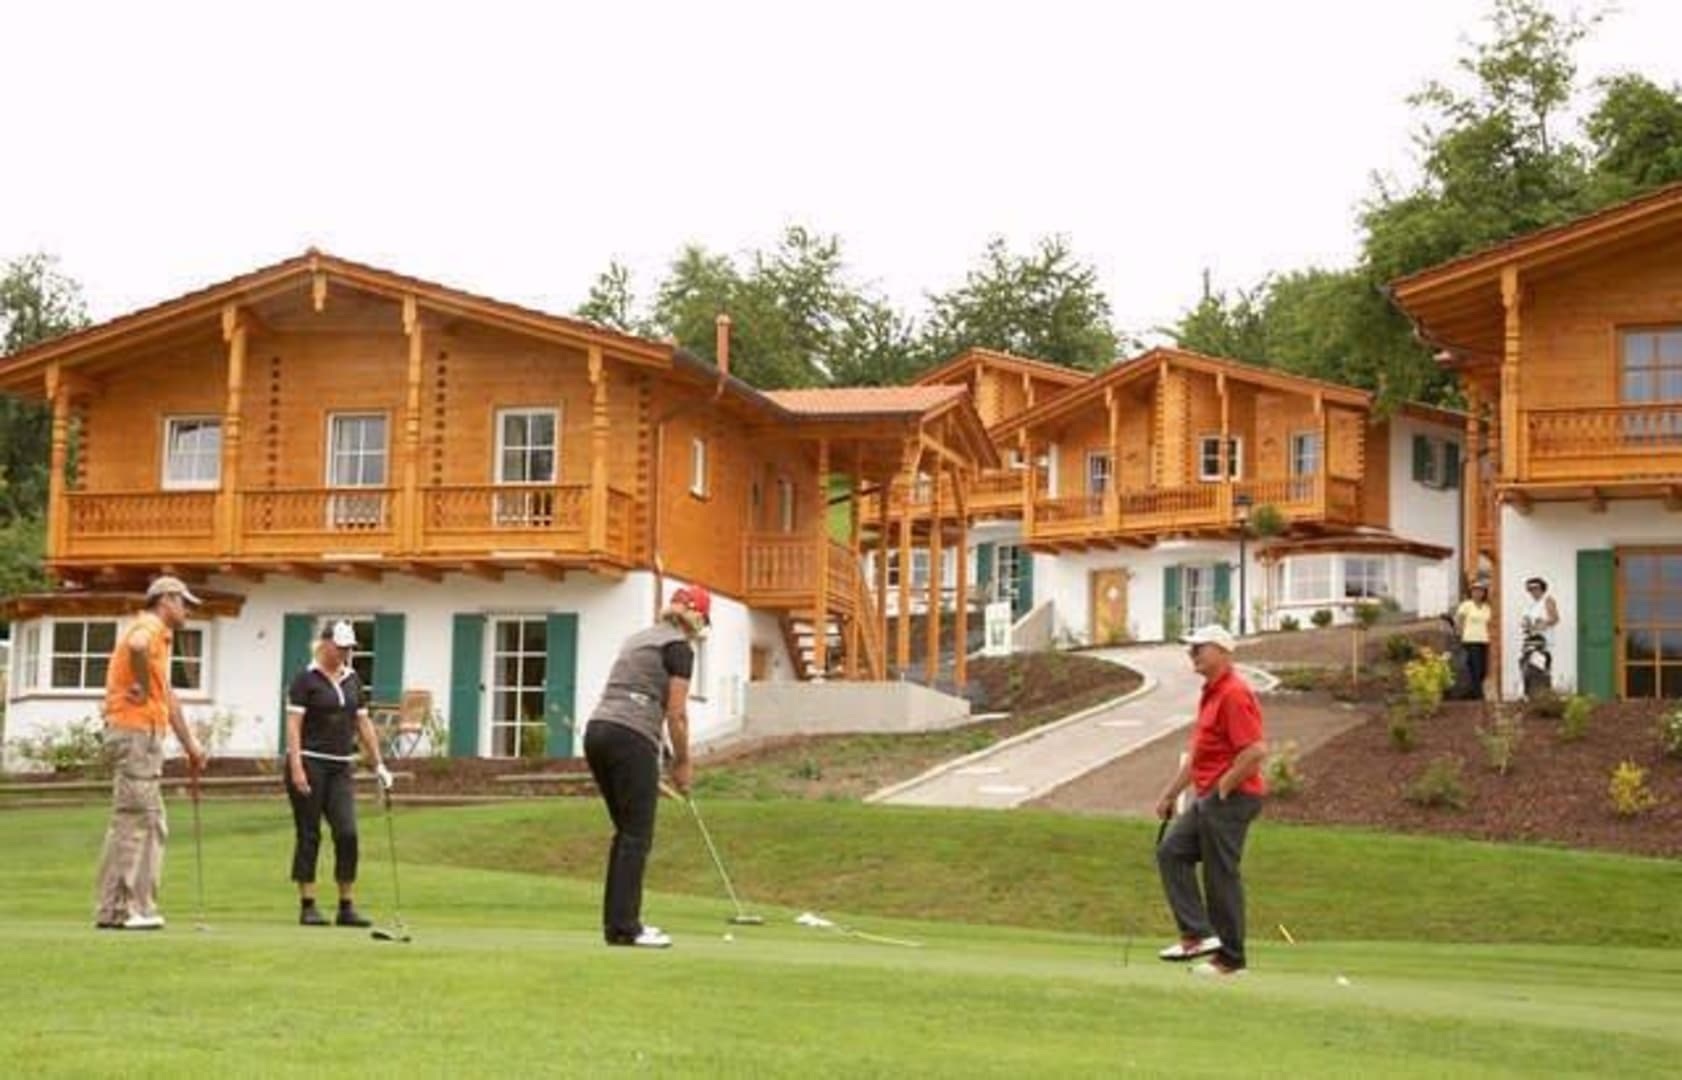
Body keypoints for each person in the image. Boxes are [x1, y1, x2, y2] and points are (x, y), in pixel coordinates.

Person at [583, 586, 709, 948]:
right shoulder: (679, 649)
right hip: (630, 736)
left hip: (598, 731)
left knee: (626, 832)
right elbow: (676, 714)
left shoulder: (638, 639)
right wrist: (683, 763)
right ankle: (627, 927)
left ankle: (618, 925)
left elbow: (648, 704)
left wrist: (665, 756)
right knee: (637, 834)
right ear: (696, 619)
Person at [94, 575, 210, 930]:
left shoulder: (162, 638)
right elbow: (138, 647)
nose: (188, 610)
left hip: (142, 735)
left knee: (151, 821)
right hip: (136, 734)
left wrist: (190, 744)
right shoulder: (150, 626)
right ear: (166, 600)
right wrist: (142, 686)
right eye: (184, 603)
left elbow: (168, 697)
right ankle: (123, 909)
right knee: (135, 819)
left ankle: (127, 907)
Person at [1153, 624, 1268, 977]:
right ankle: (1198, 934)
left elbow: (1255, 751)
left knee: (1221, 875)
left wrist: (1223, 787)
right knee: (1172, 851)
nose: (1193, 654)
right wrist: (1171, 793)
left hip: (1232, 797)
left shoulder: (1234, 693)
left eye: (1199, 647)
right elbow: (1200, 756)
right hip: (1211, 797)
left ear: (1222, 651)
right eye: (1191, 648)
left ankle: (1231, 961)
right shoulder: (1212, 693)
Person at [285, 620, 394, 927]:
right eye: (341, 647)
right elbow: (293, 726)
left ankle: (346, 906)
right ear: (325, 644)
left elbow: (363, 724)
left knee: (347, 833)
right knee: (309, 833)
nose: (345, 653)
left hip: (341, 765)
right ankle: (308, 904)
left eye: (349, 649)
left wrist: (379, 764)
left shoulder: (352, 679)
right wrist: (296, 767)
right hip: (310, 762)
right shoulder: (305, 680)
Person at [1519, 576, 1560, 699]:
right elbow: (1525, 621)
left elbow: (1555, 618)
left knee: (1542, 666)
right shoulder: (1531, 605)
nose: (1533, 591)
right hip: (1530, 640)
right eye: (1530, 589)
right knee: (1526, 664)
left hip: (1544, 641)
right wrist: (1526, 624)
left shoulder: (1548, 600)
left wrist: (1543, 624)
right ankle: (1529, 693)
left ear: (1542, 588)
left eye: (1536, 588)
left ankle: (1544, 695)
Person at [1454, 582, 1494, 699]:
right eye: (1475, 591)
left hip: (1484, 640)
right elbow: (1459, 621)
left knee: (1483, 670)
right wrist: (1459, 634)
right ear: (1471, 593)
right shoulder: (1466, 605)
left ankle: (1473, 692)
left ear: (1484, 593)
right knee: (1476, 668)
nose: (1477, 593)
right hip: (1470, 640)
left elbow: (1490, 623)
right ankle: (1478, 695)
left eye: (1480, 591)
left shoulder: (1487, 607)